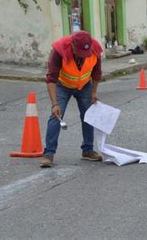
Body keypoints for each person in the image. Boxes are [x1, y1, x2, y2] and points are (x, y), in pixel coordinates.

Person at [40, 31, 104, 168]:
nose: (82, 55)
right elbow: (51, 78)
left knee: (88, 116)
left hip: (85, 85)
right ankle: (48, 154)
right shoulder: (59, 49)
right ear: (72, 46)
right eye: (79, 51)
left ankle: (87, 150)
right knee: (56, 115)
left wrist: (93, 92)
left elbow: (97, 73)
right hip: (63, 85)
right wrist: (54, 104)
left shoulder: (95, 49)